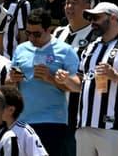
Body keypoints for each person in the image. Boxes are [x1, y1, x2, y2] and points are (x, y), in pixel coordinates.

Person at [53, 2, 118, 154]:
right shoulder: (91, 47)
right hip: (84, 124)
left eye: (96, 17)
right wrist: (66, 80)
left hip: (113, 126)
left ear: (112, 17)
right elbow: (80, 84)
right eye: (90, 18)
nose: (92, 22)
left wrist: (115, 76)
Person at [8, 9, 78, 156]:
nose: (32, 38)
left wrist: (50, 78)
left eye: (37, 34)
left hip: (52, 121)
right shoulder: (21, 49)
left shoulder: (65, 51)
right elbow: (9, 83)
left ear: (48, 30)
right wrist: (12, 79)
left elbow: (77, 86)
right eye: (28, 33)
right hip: (22, 120)